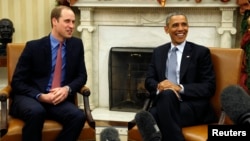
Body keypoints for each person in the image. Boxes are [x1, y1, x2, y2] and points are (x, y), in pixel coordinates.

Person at [9, 5, 87, 141]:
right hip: (31, 97)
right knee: (36, 112)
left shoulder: (77, 45)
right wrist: (40, 96)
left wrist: (66, 89)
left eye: (73, 22)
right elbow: (17, 81)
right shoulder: (34, 47)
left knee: (78, 116)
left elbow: (81, 76)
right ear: (54, 21)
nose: (72, 26)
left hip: (58, 99)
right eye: (67, 21)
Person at [145, 12, 216, 141]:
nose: (180, 29)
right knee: (164, 99)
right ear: (166, 29)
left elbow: (209, 87)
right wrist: (159, 86)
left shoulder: (200, 52)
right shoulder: (158, 52)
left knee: (153, 116)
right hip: (166, 104)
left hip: (191, 106)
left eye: (184, 24)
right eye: (175, 25)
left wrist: (178, 88)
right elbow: (149, 80)